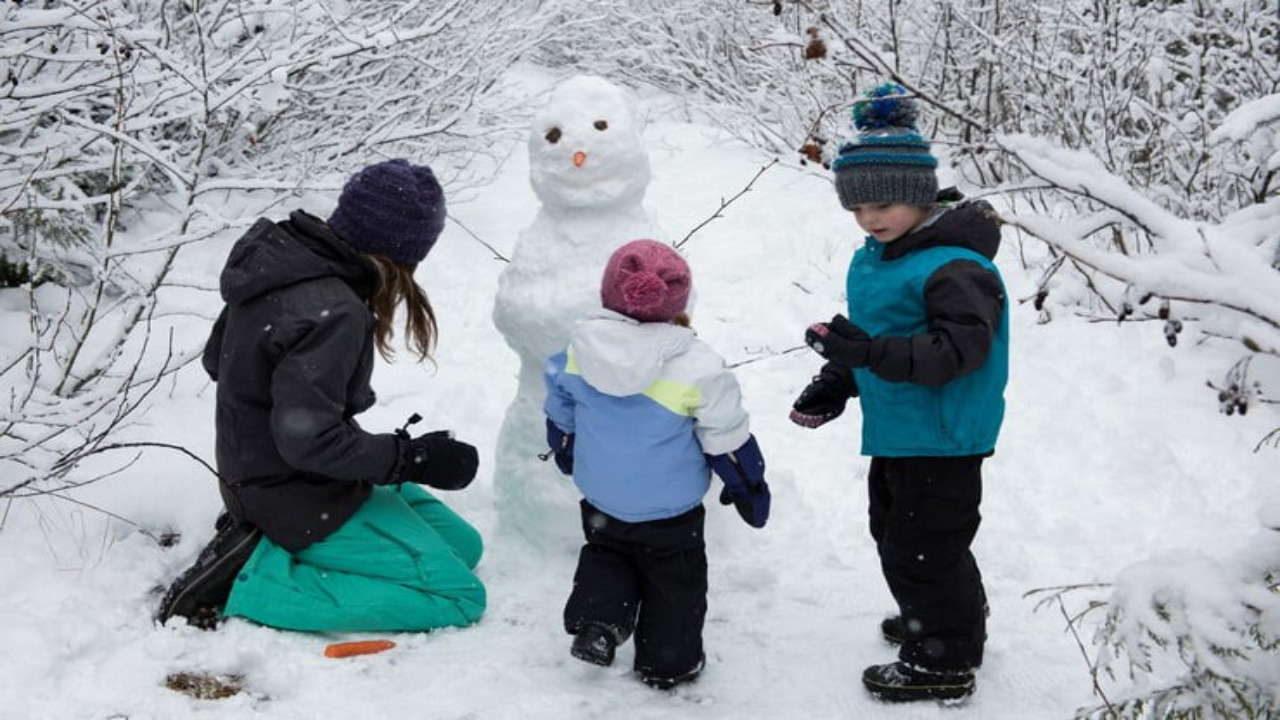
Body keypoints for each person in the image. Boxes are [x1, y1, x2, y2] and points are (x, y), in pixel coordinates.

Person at [155, 159, 486, 633]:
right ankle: (251, 581)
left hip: (277, 477)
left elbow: (216, 361)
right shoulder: (334, 310)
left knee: (464, 548)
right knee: (459, 594)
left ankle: (269, 539)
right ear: (401, 253)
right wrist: (412, 459)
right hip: (294, 495)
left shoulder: (282, 262)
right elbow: (309, 443)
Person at [791, 83, 1007, 703]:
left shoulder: (953, 266)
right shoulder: (885, 255)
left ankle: (944, 656)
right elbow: (878, 338)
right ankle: (943, 618)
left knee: (922, 547)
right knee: (896, 533)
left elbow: (959, 351)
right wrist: (837, 381)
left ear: (918, 194)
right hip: (900, 427)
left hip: (941, 432)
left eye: (883, 203)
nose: (869, 218)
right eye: (857, 208)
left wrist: (865, 355)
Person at [542, 239, 771, 690]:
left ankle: (599, 621)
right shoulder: (697, 365)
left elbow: (559, 406)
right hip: (671, 508)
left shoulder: (577, 350)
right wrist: (748, 482)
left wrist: (565, 445)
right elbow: (725, 435)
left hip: (602, 495)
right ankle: (669, 661)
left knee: (607, 555)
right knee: (675, 580)